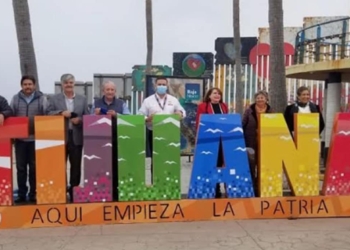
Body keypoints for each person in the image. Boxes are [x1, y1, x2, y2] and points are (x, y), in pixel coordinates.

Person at [46, 74, 89, 202]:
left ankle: (74, 192)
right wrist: (60, 113)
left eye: (71, 82)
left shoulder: (82, 99)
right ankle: (61, 191)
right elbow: (47, 113)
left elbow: (87, 116)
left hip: (76, 137)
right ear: (62, 85)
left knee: (76, 166)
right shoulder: (54, 99)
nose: (68, 85)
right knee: (60, 166)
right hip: (59, 137)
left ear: (74, 83)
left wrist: (80, 120)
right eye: (66, 83)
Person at [138, 77, 186, 182]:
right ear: (155, 86)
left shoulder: (173, 100)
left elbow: (182, 111)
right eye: (159, 84)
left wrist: (180, 113)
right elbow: (140, 115)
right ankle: (155, 182)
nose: (161, 86)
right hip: (154, 132)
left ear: (167, 85)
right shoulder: (148, 101)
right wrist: (147, 118)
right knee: (156, 160)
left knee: (170, 159)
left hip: (170, 134)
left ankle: (169, 182)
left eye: (164, 84)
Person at [10, 75, 47, 204]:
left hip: (36, 139)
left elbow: (46, 114)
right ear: (22, 86)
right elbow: (11, 114)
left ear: (34, 85)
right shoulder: (15, 99)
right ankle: (21, 194)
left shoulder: (42, 98)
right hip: (20, 140)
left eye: (30, 84)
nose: (27, 87)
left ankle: (33, 194)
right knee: (21, 169)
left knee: (34, 168)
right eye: (25, 84)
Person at [92, 80, 130, 200]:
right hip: (100, 140)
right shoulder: (96, 103)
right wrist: (95, 115)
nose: (110, 92)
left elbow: (129, 118)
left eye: (112, 90)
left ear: (115, 91)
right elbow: (88, 118)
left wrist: (117, 115)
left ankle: (116, 192)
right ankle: (102, 192)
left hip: (118, 137)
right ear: (103, 91)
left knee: (117, 165)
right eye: (107, 89)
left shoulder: (121, 103)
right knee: (102, 165)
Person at [195, 87, 228, 198]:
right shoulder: (202, 106)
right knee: (210, 163)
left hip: (222, 140)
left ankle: (221, 186)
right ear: (209, 95)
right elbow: (200, 123)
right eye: (214, 93)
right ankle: (212, 188)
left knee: (220, 163)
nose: (217, 95)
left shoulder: (224, 106)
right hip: (208, 139)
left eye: (219, 93)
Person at [242, 90, 273, 193]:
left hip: (265, 141)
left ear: (266, 99)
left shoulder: (271, 110)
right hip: (250, 140)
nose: (260, 99)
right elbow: (243, 124)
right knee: (251, 163)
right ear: (255, 99)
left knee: (263, 163)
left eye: (262, 97)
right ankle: (251, 186)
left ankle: (262, 186)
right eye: (258, 97)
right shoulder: (249, 110)